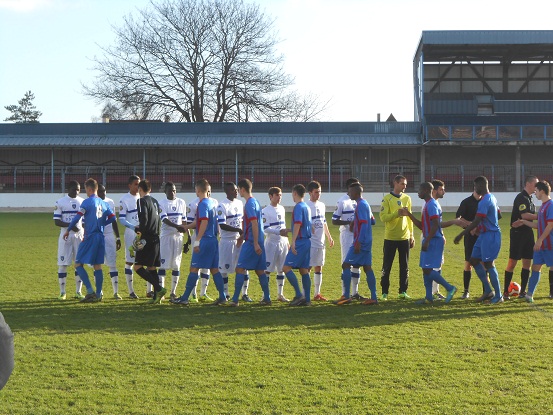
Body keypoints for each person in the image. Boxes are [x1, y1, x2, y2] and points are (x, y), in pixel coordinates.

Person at [171, 179, 227, 305]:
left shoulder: (202, 204)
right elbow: (200, 221)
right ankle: (222, 296)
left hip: (205, 240)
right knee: (214, 269)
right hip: (213, 240)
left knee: (194, 268)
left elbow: (204, 222)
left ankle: (185, 297)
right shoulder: (212, 203)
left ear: (198, 190)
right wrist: (186, 227)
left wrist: (197, 240)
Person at [63, 178, 119, 302]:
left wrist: (68, 230)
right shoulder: (104, 203)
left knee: (78, 263)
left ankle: (89, 291)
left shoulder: (87, 203)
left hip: (90, 236)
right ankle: (98, 294)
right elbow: (113, 218)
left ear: (89, 189)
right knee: (97, 265)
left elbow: (77, 218)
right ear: (97, 189)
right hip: (101, 237)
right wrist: (103, 222)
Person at [403, 182, 458, 304]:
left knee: (428, 269)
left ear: (427, 190)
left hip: (433, 239)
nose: (418, 192)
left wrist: (427, 240)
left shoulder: (432, 205)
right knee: (425, 268)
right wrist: (409, 215)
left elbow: (435, 225)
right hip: (429, 238)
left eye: (420, 190)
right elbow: (423, 226)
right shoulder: (427, 204)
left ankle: (450, 288)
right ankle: (428, 297)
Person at [454, 176, 503, 303]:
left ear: (481, 186)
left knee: (489, 264)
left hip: (490, 235)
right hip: (484, 235)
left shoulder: (485, 201)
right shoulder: (491, 197)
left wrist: (461, 234)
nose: (475, 189)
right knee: (473, 260)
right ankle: (488, 290)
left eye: (475, 187)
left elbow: (477, 221)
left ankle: (498, 296)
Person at [334, 183, 378, 305]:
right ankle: (374, 297)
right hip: (368, 241)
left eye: (350, 191)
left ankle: (347, 296)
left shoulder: (361, 205)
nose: (349, 194)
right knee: (367, 267)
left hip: (361, 241)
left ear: (356, 192)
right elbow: (372, 221)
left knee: (346, 264)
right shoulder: (365, 204)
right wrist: (356, 221)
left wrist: (358, 241)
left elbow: (364, 224)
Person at [229, 179, 271, 306]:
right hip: (257, 240)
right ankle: (267, 298)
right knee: (259, 271)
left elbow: (254, 223)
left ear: (242, 189)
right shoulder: (256, 202)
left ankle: (235, 299)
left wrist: (255, 243)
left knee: (240, 268)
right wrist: (243, 235)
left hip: (252, 242)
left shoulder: (249, 204)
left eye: (239, 190)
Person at [513, 180, 553, 302]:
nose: (535, 193)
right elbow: (539, 226)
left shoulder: (551, 205)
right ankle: (529, 294)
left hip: (549, 245)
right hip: (540, 246)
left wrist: (539, 240)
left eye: (536, 191)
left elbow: (550, 225)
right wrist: (523, 222)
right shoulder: (542, 207)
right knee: (535, 268)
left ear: (541, 191)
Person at [379, 175, 414, 300]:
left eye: (405, 184)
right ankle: (384, 292)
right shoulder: (387, 199)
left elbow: (409, 218)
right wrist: (396, 213)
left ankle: (402, 291)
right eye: (402, 184)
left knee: (404, 266)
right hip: (390, 237)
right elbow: (383, 217)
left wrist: (411, 235)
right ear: (395, 183)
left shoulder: (407, 198)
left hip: (404, 237)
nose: (405, 186)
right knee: (387, 266)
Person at [132, 179, 167, 304]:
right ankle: (157, 296)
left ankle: (158, 288)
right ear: (150, 189)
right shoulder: (155, 201)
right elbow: (158, 220)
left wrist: (139, 234)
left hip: (146, 238)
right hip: (156, 237)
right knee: (151, 267)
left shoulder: (141, 201)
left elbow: (144, 219)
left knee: (137, 267)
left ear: (140, 190)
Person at [504, 175, 539, 299]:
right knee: (512, 262)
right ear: (528, 184)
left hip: (528, 233)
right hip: (518, 234)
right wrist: (542, 215)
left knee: (527, 262)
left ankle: (523, 291)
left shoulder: (530, 198)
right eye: (536, 184)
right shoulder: (521, 197)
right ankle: (506, 292)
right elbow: (524, 215)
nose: (537, 187)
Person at [332, 177, 364, 300]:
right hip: (346, 235)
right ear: (350, 188)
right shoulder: (342, 201)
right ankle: (345, 293)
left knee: (357, 263)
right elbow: (334, 221)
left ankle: (355, 293)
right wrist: (349, 223)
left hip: (358, 235)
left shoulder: (361, 201)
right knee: (346, 264)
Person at [217, 182, 249, 301]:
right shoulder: (222, 206)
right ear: (227, 191)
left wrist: (242, 232)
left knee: (243, 267)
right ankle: (226, 293)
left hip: (240, 241)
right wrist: (238, 229)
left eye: (236, 189)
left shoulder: (240, 203)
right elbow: (222, 225)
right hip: (227, 242)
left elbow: (242, 220)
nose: (236, 191)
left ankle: (244, 294)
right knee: (224, 270)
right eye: (233, 190)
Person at [53, 180, 84, 299]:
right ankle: (62, 292)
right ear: (68, 189)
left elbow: (85, 221)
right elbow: (57, 221)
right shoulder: (60, 202)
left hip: (79, 236)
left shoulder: (83, 202)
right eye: (74, 189)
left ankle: (78, 291)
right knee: (63, 264)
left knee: (79, 263)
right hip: (65, 236)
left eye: (78, 189)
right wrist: (71, 225)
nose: (76, 191)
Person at [283, 184, 312, 306]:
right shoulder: (306, 206)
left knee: (286, 268)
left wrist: (293, 241)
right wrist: (290, 230)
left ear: (295, 193)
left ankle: (299, 295)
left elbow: (298, 224)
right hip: (307, 241)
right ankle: (307, 299)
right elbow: (304, 225)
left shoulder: (298, 207)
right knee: (303, 270)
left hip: (300, 242)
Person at [158, 181, 187, 301]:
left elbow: (184, 221)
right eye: (170, 190)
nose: (173, 192)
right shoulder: (161, 203)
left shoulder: (181, 202)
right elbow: (164, 219)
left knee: (176, 265)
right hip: (166, 237)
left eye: (174, 190)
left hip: (178, 238)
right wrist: (177, 227)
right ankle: (161, 291)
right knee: (163, 265)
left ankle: (173, 292)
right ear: (165, 192)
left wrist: (188, 238)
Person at [306, 180, 334, 301]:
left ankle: (317, 293)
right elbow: (300, 222)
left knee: (319, 267)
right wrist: (308, 226)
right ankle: (305, 293)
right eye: (316, 192)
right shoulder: (306, 206)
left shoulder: (322, 205)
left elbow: (323, 222)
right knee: (307, 268)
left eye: (320, 192)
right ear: (310, 192)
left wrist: (329, 236)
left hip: (320, 241)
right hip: (310, 242)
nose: (319, 194)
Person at [262, 187, 291, 302]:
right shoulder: (265, 211)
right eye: (277, 195)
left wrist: (287, 242)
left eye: (281, 195)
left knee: (281, 269)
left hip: (282, 243)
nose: (280, 197)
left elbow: (283, 225)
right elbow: (265, 229)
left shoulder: (282, 209)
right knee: (267, 270)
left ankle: (280, 294)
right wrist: (278, 232)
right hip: (271, 243)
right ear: (270, 196)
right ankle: (265, 295)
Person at [186, 191, 216, 302]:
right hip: (198, 236)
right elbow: (194, 222)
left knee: (207, 267)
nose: (209, 192)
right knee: (196, 266)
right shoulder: (193, 204)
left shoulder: (213, 202)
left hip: (209, 237)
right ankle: (193, 294)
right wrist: (187, 228)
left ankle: (203, 293)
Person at [456, 189, 482, 299]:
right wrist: (470, 225)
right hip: (470, 237)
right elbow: (459, 217)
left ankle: (486, 290)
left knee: (485, 263)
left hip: (482, 236)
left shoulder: (486, 201)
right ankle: (466, 291)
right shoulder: (466, 202)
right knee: (468, 263)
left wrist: (479, 228)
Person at [98, 184, 122, 299]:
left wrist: (117, 237)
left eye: (104, 191)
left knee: (112, 264)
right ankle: (100, 291)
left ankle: (116, 292)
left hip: (109, 236)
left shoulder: (110, 202)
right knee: (97, 265)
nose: (103, 194)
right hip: (97, 236)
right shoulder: (92, 202)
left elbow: (114, 220)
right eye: (100, 192)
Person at [119, 175, 140, 299]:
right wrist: (134, 227)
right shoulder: (124, 199)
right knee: (129, 261)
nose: (138, 186)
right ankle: (131, 291)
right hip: (131, 234)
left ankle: (150, 290)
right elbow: (121, 219)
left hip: (143, 233)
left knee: (148, 261)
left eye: (139, 184)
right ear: (130, 185)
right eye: (136, 184)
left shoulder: (143, 197)